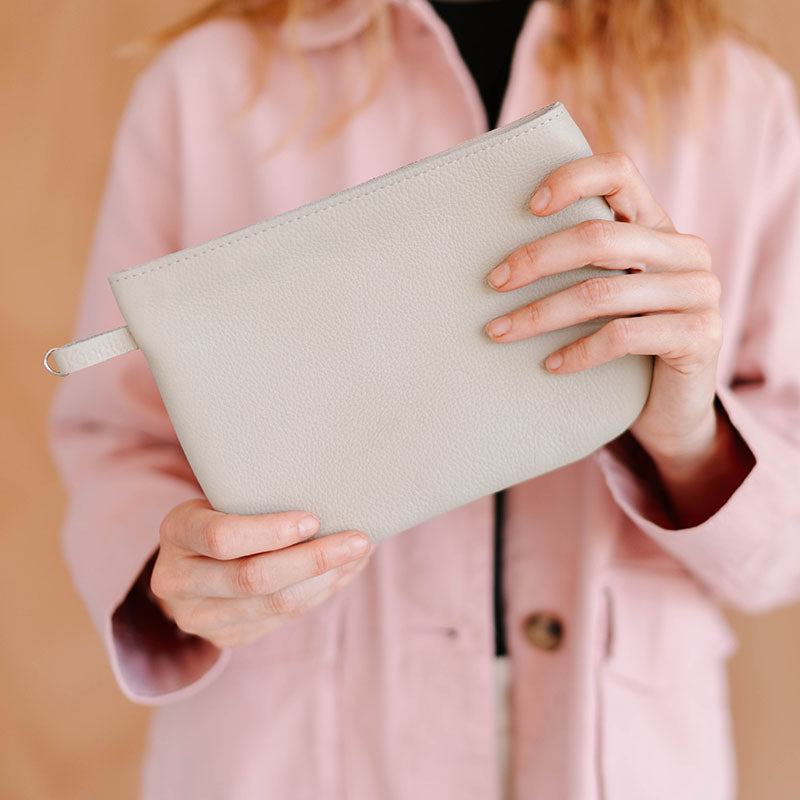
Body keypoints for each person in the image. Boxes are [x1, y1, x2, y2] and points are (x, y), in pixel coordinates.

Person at [46, 0, 800, 798]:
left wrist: (691, 437)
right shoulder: (207, 84)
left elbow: (780, 556)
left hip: (622, 758)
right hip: (293, 758)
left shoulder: (734, 98)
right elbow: (113, 440)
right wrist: (179, 580)